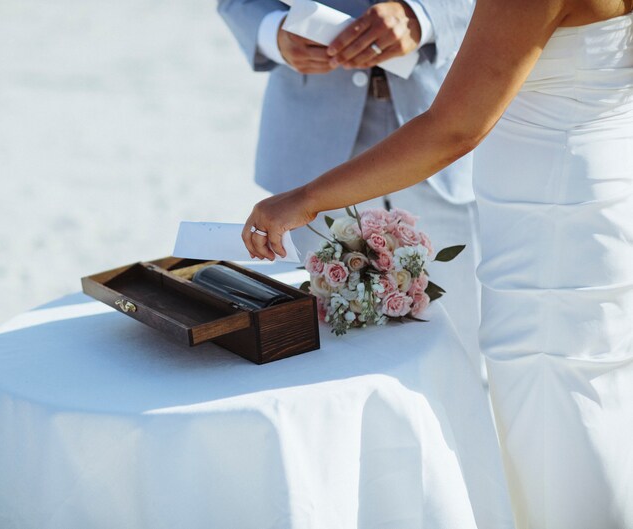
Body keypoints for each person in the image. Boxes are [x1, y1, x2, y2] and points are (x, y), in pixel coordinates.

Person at [242, 0, 633, 526]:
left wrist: (307, 199)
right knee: (591, 396)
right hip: (593, 188)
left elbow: (454, 128)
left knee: (557, 412)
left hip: (552, 214)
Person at [217, 0, 486, 377]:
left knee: (462, 336)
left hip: (442, 131)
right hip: (312, 139)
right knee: (322, 336)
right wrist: (272, 32)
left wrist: (425, 16)